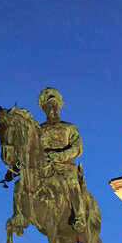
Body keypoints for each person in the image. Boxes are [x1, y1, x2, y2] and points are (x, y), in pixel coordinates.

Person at [37, 87, 89, 229]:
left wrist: (59, 155)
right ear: (43, 108)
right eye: (49, 105)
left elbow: (78, 148)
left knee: (72, 182)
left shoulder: (70, 127)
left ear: (60, 107)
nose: (52, 108)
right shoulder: (37, 130)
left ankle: (79, 216)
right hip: (43, 167)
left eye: (55, 105)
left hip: (65, 166)